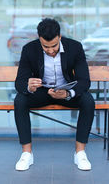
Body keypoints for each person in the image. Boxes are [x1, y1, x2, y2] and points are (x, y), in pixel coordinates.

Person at [14, 18, 95, 171]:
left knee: (88, 101)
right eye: (46, 47)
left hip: (66, 92)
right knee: (20, 100)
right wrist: (29, 86)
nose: (51, 50)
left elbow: (84, 81)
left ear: (60, 37)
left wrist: (68, 93)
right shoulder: (29, 49)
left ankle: (80, 153)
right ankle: (26, 154)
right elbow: (19, 82)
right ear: (39, 39)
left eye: (54, 46)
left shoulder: (75, 47)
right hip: (42, 92)